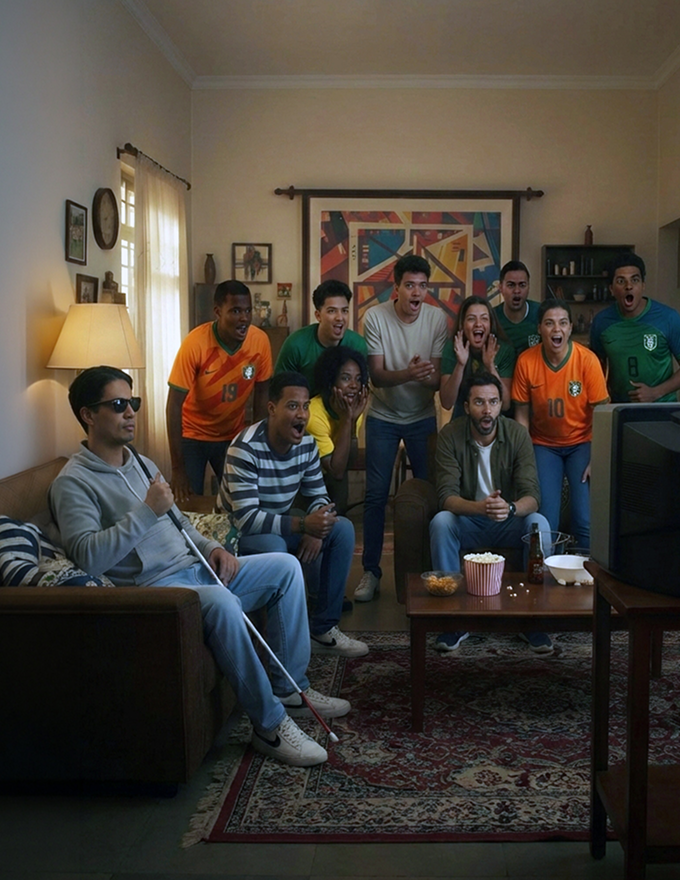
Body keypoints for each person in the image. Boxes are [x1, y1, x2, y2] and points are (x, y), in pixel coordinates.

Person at [48, 366, 348, 768]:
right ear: (88, 414)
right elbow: (88, 556)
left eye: (133, 402)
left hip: (197, 567)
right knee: (223, 604)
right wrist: (146, 512)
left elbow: (181, 524)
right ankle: (270, 726)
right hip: (158, 589)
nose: (131, 412)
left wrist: (212, 547)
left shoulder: (140, 462)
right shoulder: (73, 482)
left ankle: (290, 688)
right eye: (118, 405)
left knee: (285, 567)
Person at [219, 371, 368, 659]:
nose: (301, 414)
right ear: (272, 408)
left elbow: (319, 495)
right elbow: (246, 518)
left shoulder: (307, 445)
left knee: (343, 529)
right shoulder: (244, 448)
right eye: (292, 406)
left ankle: (324, 629)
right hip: (237, 533)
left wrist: (317, 527)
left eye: (305, 406)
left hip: (281, 521)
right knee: (276, 548)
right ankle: (282, 647)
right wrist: (303, 524)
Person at [430, 372, 552, 654]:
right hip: (469, 520)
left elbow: (533, 497)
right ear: (466, 406)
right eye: (479, 402)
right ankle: (453, 621)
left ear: (500, 405)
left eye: (493, 402)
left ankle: (533, 619)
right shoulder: (450, 435)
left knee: (539, 523)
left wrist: (510, 508)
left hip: (507, 521)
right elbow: (446, 497)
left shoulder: (517, 434)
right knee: (441, 522)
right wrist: (481, 508)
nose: (487, 410)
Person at [356, 254, 448, 603]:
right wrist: (411, 373)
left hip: (422, 415)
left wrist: (423, 376)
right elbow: (377, 376)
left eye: (422, 286)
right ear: (396, 288)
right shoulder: (375, 317)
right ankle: (371, 571)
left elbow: (437, 381)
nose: (416, 293)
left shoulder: (437, 319)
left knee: (430, 494)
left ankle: (430, 568)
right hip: (383, 415)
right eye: (410, 285)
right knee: (376, 496)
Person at [513, 300, 609, 549]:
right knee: (545, 520)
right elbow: (521, 415)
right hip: (543, 444)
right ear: (539, 329)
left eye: (563, 323)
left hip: (582, 442)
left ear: (570, 328)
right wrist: (525, 455)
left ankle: (587, 571)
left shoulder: (587, 360)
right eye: (549, 323)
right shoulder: (526, 361)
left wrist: (597, 456)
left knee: (585, 519)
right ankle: (546, 571)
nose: (557, 329)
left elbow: (602, 413)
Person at [166, 280, 272, 504]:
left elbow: (263, 395)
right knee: (187, 501)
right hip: (192, 434)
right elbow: (173, 405)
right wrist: (177, 468)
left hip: (232, 435)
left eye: (248, 311)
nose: (244, 318)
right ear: (218, 312)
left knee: (241, 500)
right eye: (235, 311)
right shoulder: (195, 343)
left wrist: (257, 444)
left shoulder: (260, 341)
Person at [590, 253, 680, 403]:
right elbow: (595, 367)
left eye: (635, 280)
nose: (628, 286)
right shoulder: (601, 322)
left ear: (643, 285)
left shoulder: (669, 318)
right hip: (619, 407)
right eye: (621, 281)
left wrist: (655, 393)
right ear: (611, 289)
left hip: (661, 408)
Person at [274, 279, 368, 396]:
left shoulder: (357, 345)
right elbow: (279, 389)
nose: (340, 317)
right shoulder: (295, 344)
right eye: (332, 311)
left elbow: (362, 389)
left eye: (345, 311)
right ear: (318, 316)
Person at [307, 345, 369, 515]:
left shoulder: (351, 410)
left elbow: (350, 460)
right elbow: (337, 471)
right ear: (330, 382)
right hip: (304, 482)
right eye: (346, 378)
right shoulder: (313, 414)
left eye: (358, 379)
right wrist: (346, 421)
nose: (354, 385)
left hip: (333, 472)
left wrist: (351, 422)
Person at [439, 295, 515, 419]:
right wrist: (460, 365)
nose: (478, 324)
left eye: (484, 319)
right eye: (471, 319)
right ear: (462, 324)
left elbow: (505, 405)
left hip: (494, 417)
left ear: (490, 324)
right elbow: (446, 403)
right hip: (463, 415)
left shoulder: (504, 350)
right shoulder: (453, 347)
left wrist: (490, 366)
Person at [492, 260, 541, 355]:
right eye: (511, 285)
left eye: (522, 285)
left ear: (528, 287)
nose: (517, 291)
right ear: (500, 288)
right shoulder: (492, 317)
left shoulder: (542, 313)